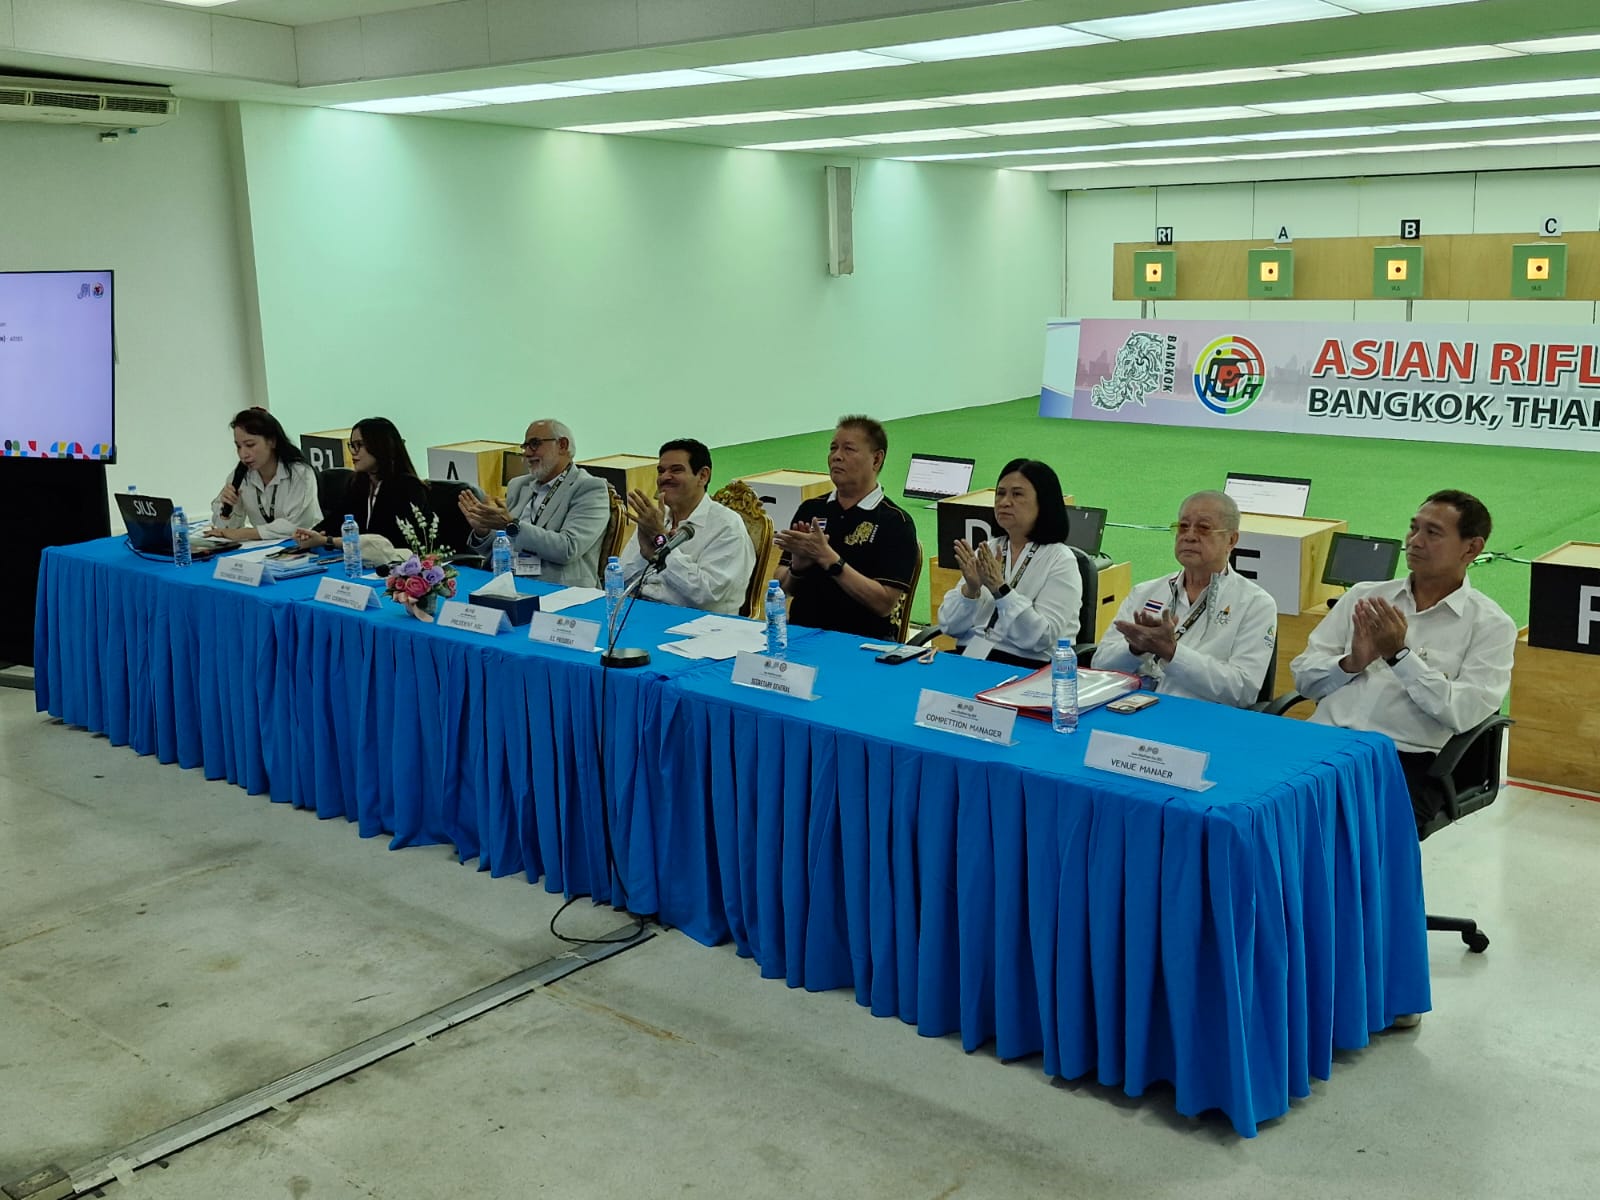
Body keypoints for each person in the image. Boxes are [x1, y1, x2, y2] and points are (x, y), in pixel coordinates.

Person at [1291, 490, 1516, 835]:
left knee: (1336, 835)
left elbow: (1462, 712)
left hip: (1402, 761)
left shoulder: (1491, 626)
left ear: (1471, 548)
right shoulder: (1364, 597)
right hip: (1320, 742)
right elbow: (1303, 679)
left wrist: (1399, 657)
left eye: (1433, 533)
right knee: (1246, 808)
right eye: (1414, 528)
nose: (1414, 541)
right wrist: (1351, 662)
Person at [1092, 490, 1276, 707]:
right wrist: (1135, 649)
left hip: (1198, 718)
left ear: (1231, 540)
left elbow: (1242, 691)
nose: (1189, 536)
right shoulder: (1145, 592)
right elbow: (1100, 666)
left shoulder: (1255, 604)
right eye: (1183, 526)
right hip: (1130, 709)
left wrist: (1172, 653)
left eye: (1203, 528)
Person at [775, 415, 919, 641]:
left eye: (849, 449)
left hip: (861, 646)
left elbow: (884, 603)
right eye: (833, 448)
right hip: (801, 639)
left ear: (876, 459)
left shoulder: (895, 522)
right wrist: (798, 567)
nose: (836, 456)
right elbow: (781, 588)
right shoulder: (811, 509)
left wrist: (829, 559)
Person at [935, 458, 1082, 667]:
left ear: (1044, 502)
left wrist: (1000, 589)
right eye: (1001, 493)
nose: (1004, 502)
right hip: (972, 657)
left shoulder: (1060, 559)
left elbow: (1042, 638)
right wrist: (971, 590)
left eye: (1017, 494)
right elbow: (949, 626)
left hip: (1027, 665)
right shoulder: (988, 548)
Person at [457, 419, 609, 586]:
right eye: (525, 446)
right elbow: (505, 544)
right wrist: (484, 531)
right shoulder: (518, 485)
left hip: (557, 586)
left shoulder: (589, 488)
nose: (527, 453)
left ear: (562, 445)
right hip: (508, 578)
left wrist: (512, 525)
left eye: (535, 444)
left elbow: (568, 548)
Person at [617, 438, 754, 615]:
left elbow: (706, 596)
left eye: (676, 470)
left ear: (703, 476)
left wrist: (661, 543)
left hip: (703, 624)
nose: (664, 477)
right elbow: (620, 579)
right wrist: (646, 553)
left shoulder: (727, 526)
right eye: (661, 471)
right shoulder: (657, 518)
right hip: (645, 613)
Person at [293, 417, 432, 552]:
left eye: (359, 445)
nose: (354, 452)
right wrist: (311, 534)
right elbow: (336, 520)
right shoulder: (359, 484)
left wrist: (328, 541)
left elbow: (385, 542)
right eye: (352, 446)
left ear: (379, 446)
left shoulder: (408, 487)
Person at [203, 408, 321, 542]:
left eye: (250, 445)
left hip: (305, 545)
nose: (243, 454)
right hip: (264, 548)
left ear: (272, 441)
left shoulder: (300, 473)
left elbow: (296, 526)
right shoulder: (241, 475)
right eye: (238, 446)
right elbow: (224, 530)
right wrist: (227, 510)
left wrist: (243, 534)